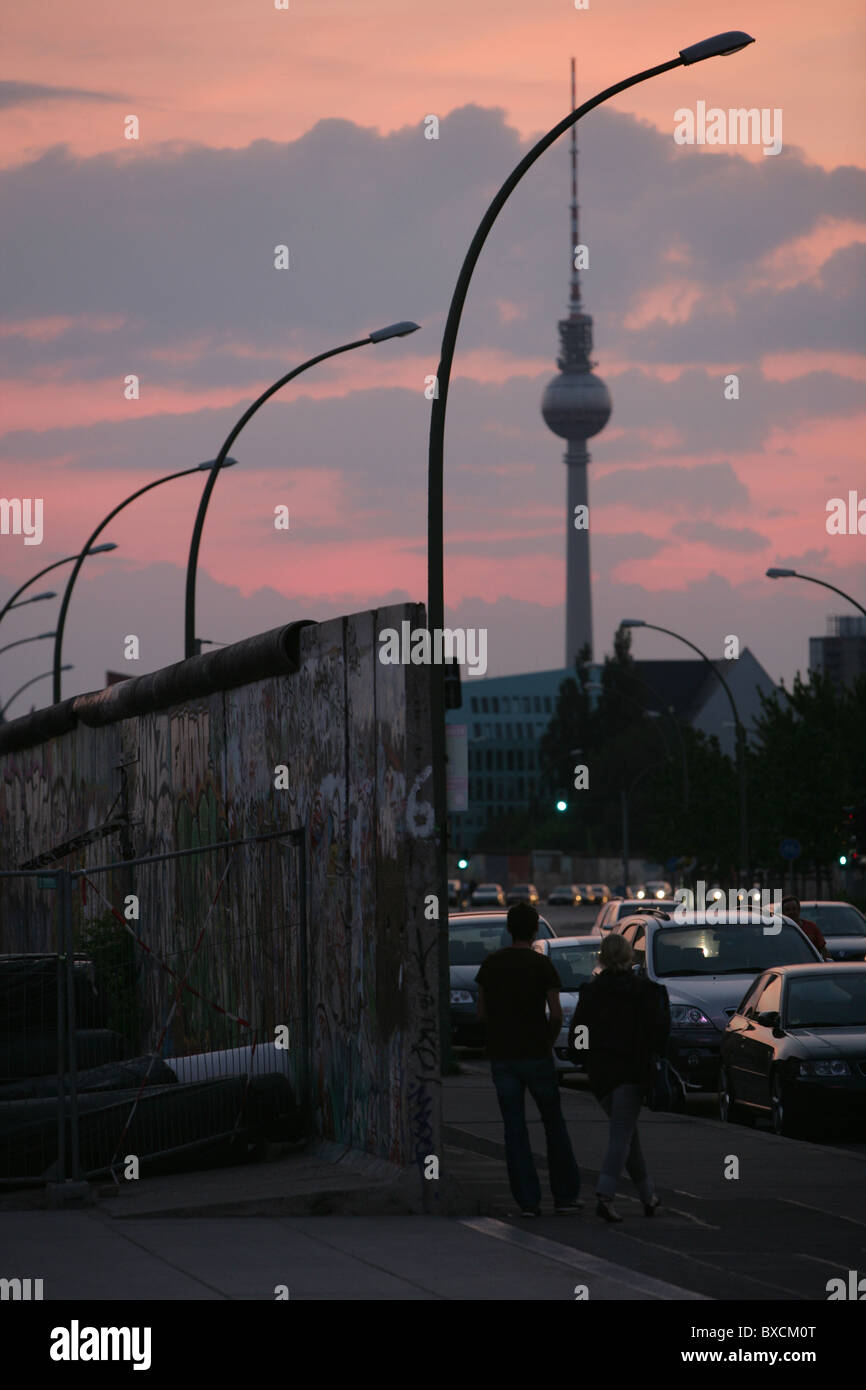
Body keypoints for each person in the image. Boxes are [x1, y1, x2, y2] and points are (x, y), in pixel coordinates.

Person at [476, 902, 582, 1217]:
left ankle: (528, 1201)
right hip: (536, 1055)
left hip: (503, 1057)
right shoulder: (542, 965)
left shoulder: (491, 965)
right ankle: (564, 1196)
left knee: (515, 1129)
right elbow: (556, 1014)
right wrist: (546, 1041)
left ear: (508, 929)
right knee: (554, 1124)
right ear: (535, 928)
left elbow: (481, 1013)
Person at [570, 933, 669, 1223]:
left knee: (626, 1136)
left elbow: (579, 1032)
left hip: (600, 1074)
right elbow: (656, 1033)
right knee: (621, 1137)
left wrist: (584, 1058)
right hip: (631, 1072)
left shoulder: (591, 991)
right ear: (628, 956)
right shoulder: (644, 992)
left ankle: (648, 1196)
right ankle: (605, 1194)